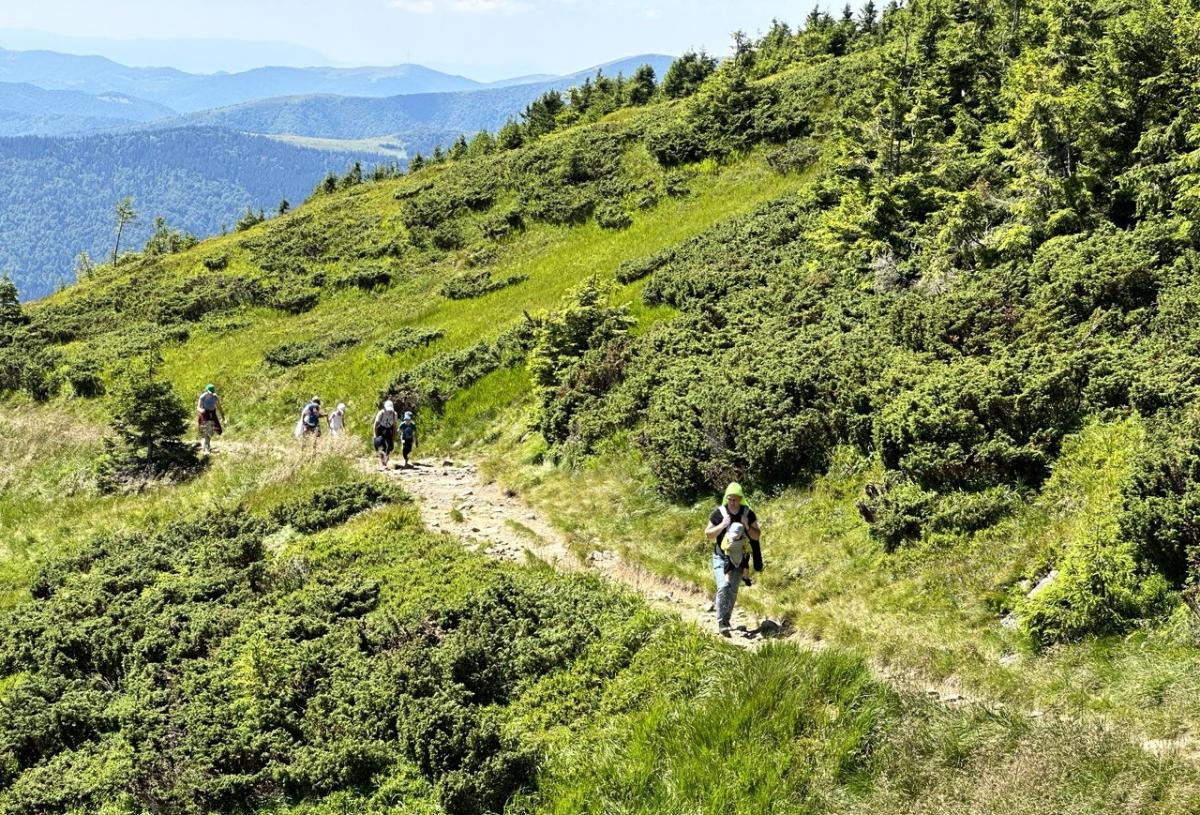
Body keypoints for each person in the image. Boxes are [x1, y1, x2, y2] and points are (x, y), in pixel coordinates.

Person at [704, 482, 763, 637]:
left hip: (738, 558)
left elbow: (757, 536)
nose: (732, 502)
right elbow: (708, 534)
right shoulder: (719, 513)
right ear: (726, 498)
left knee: (733, 590)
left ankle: (726, 620)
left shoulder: (748, 514)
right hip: (720, 556)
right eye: (730, 499)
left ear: (741, 499)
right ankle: (721, 622)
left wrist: (747, 526)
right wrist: (722, 526)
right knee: (723, 586)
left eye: (735, 499)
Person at [196, 384, 224, 454]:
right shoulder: (203, 397)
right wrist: (201, 410)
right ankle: (207, 448)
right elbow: (198, 407)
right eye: (209, 392)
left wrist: (222, 415)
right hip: (205, 414)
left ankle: (205, 443)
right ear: (206, 390)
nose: (211, 394)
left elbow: (219, 407)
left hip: (212, 414)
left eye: (212, 392)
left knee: (211, 431)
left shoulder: (215, 397)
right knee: (206, 431)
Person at [373, 399, 398, 469]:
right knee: (379, 443)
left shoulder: (394, 414)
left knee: (389, 446)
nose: (389, 411)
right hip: (380, 429)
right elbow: (375, 424)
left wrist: (394, 436)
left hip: (388, 429)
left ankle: (386, 461)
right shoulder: (381, 413)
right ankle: (382, 461)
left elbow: (395, 426)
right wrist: (375, 434)